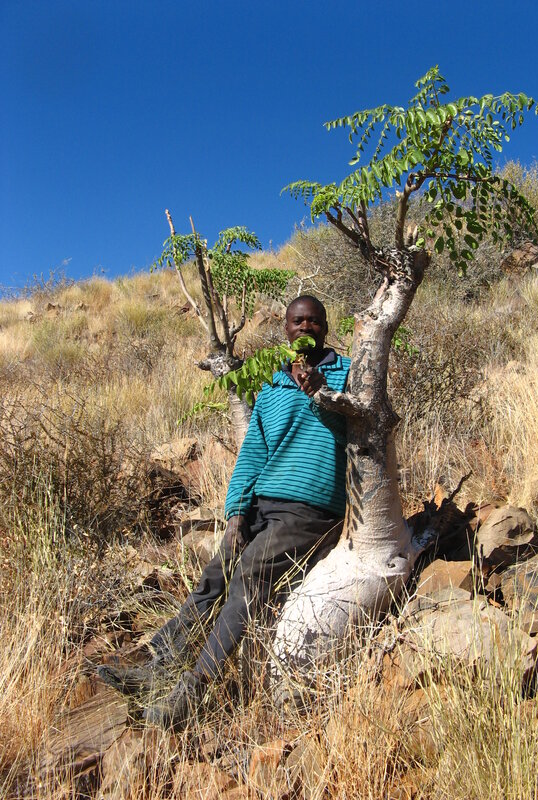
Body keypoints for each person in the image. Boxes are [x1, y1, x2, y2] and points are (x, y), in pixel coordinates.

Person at [98, 295, 350, 729]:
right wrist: (236, 514)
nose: (305, 328)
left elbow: (360, 431)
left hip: (311, 508)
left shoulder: (347, 373)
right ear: (286, 329)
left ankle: (191, 693)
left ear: (325, 328)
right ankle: (158, 666)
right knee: (216, 574)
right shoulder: (272, 385)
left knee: (250, 573)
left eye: (314, 321)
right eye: (297, 321)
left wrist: (323, 394)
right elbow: (252, 455)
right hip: (264, 504)